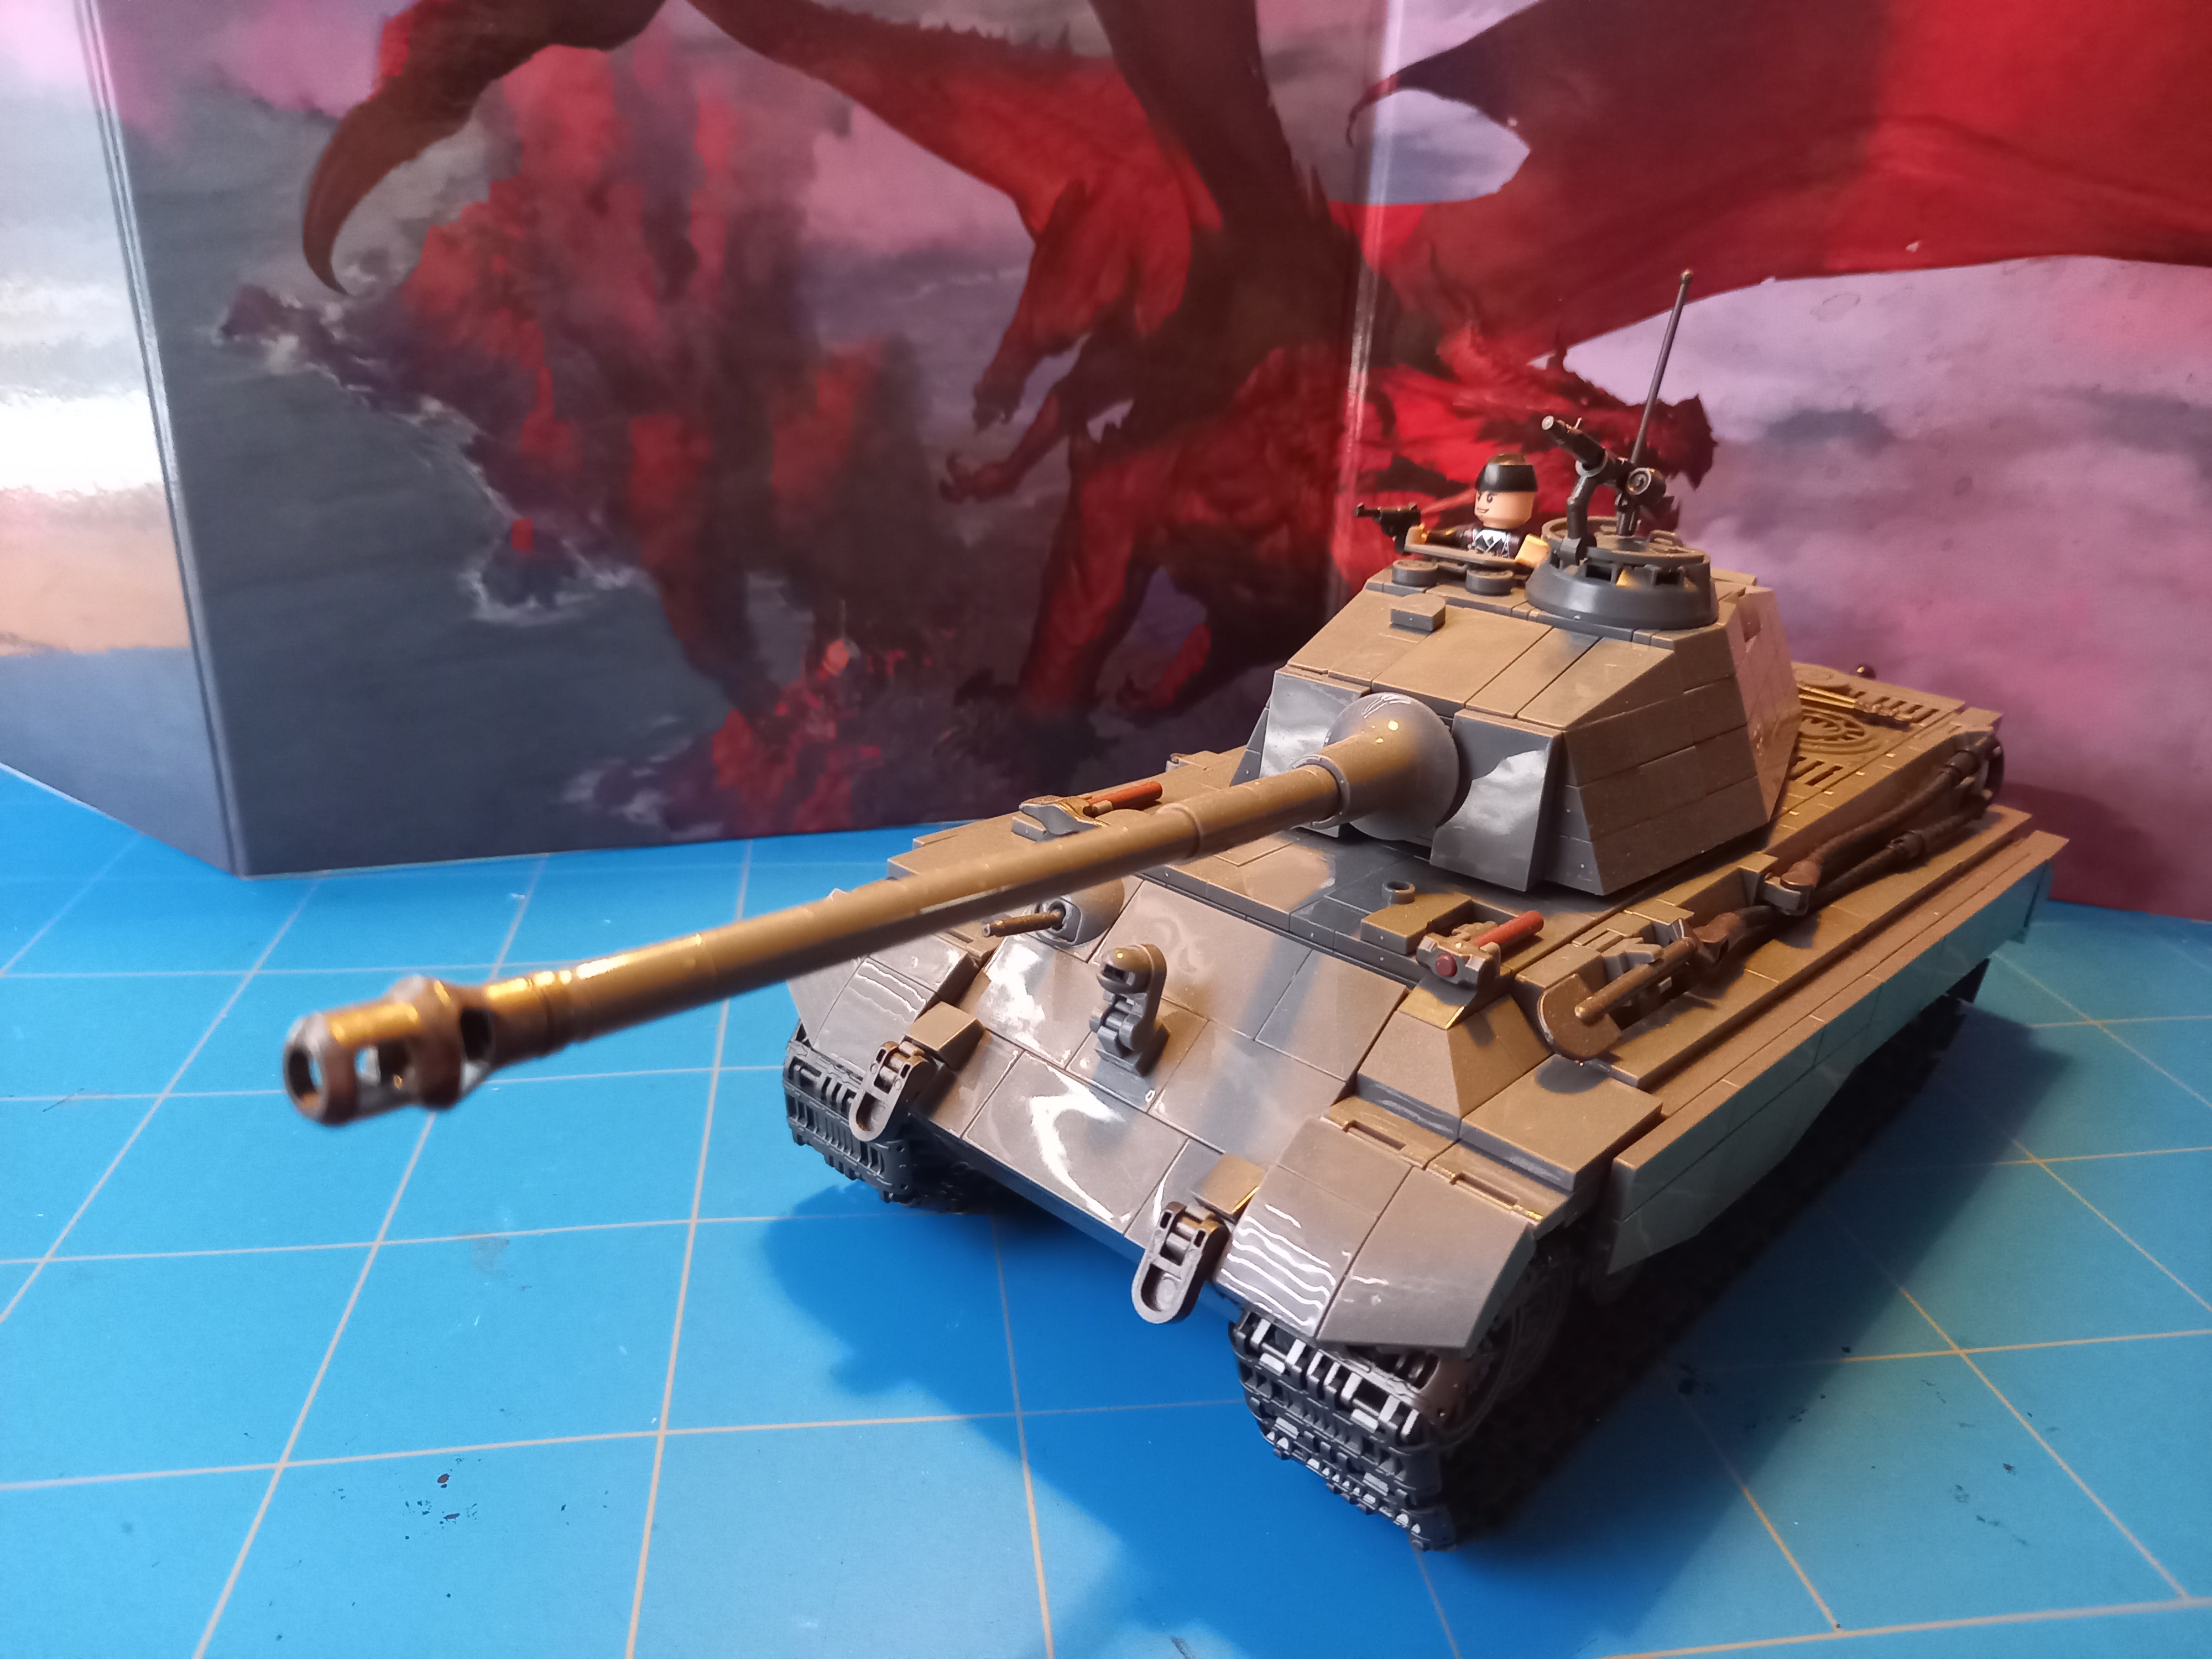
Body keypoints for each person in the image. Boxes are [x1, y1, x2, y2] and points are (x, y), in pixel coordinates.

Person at [1415, 451, 1547, 571]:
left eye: (1490, 498)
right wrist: (1426, 536)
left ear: (1526, 502)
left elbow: (1542, 561)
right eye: (1479, 496)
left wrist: (1543, 558)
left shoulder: (1519, 542)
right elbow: (1448, 537)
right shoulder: (1470, 533)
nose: (1482, 504)